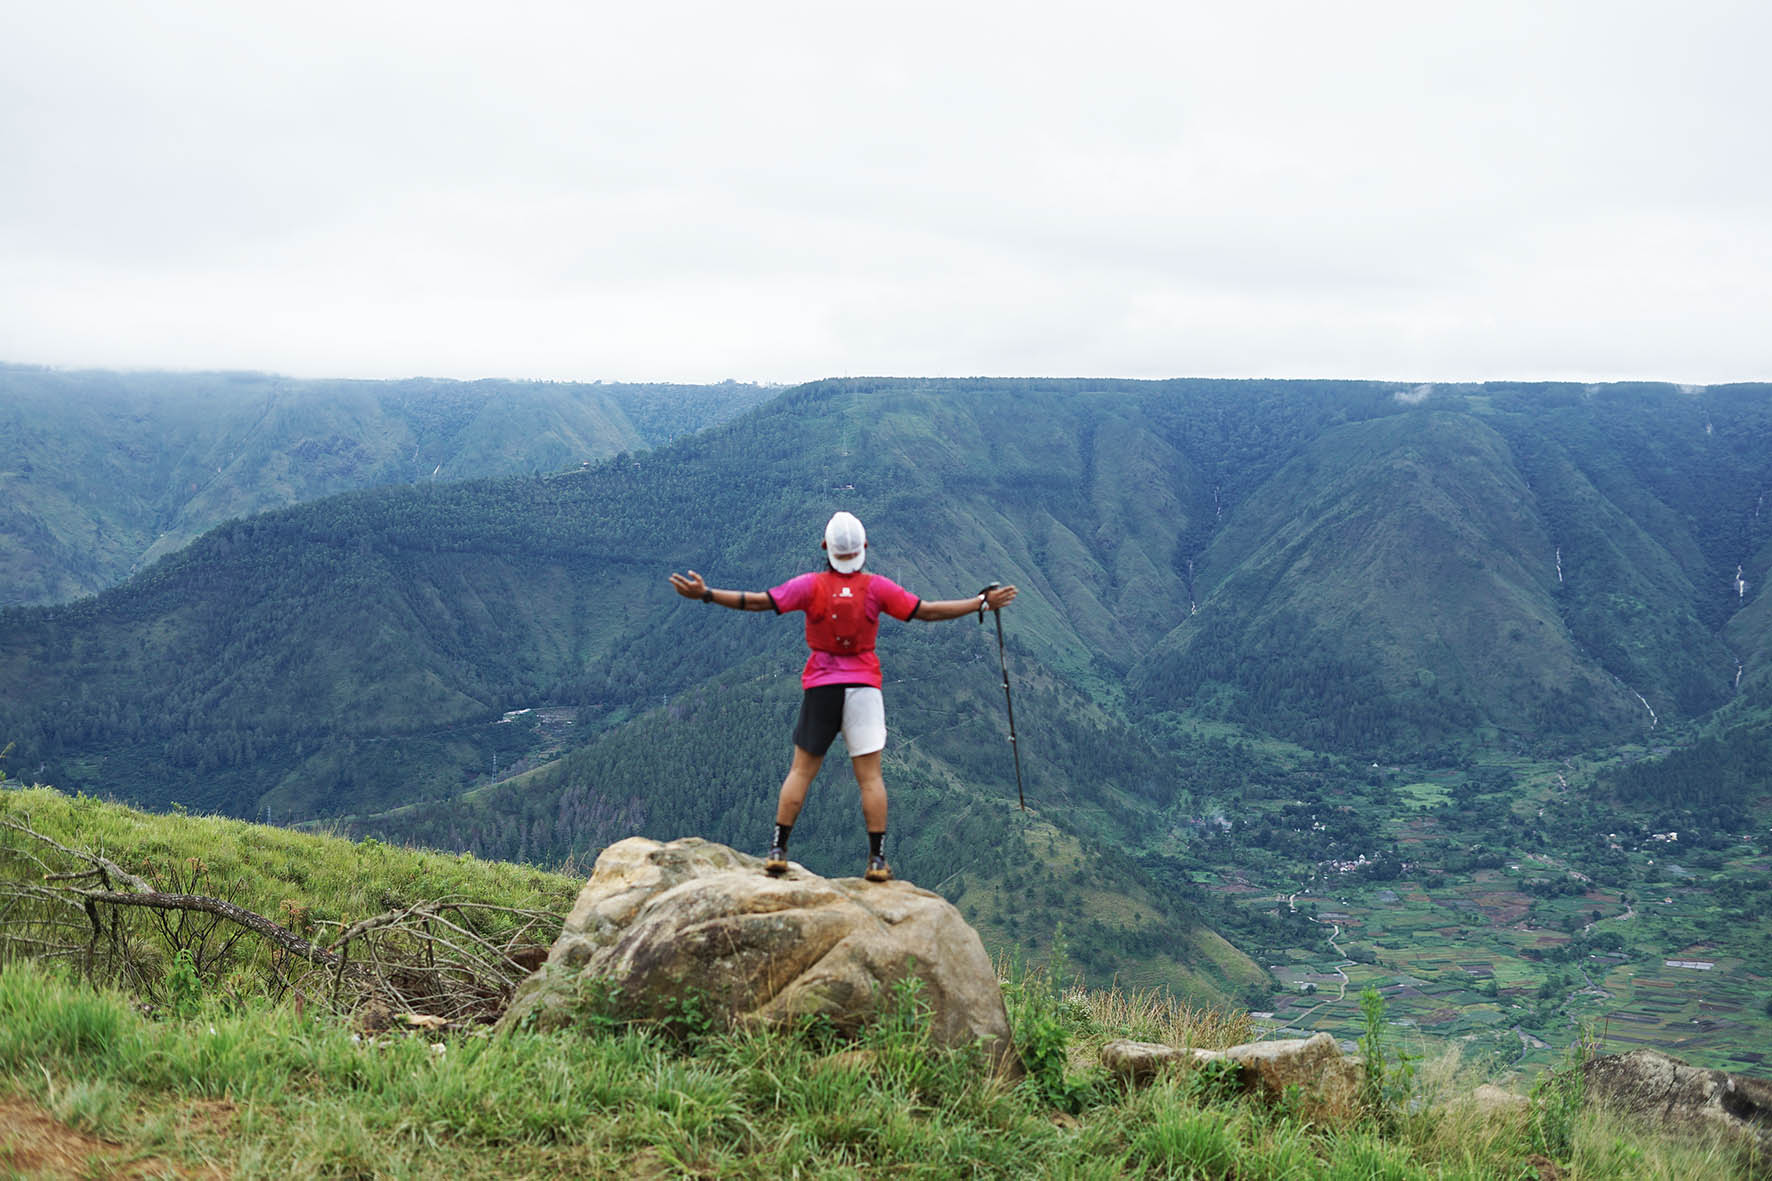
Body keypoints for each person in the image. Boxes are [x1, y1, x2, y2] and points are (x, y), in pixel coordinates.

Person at [669, 511, 1017, 882]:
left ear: (825, 548)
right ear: (864, 548)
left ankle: (777, 850)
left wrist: (706, 594)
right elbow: (925, 612)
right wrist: (980, 602)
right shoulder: (878, 588)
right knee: (870, 778)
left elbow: (759, 602)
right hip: (864, 687)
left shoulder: (810, 586)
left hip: (822, 686)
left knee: (801, 771)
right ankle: (877, 861)